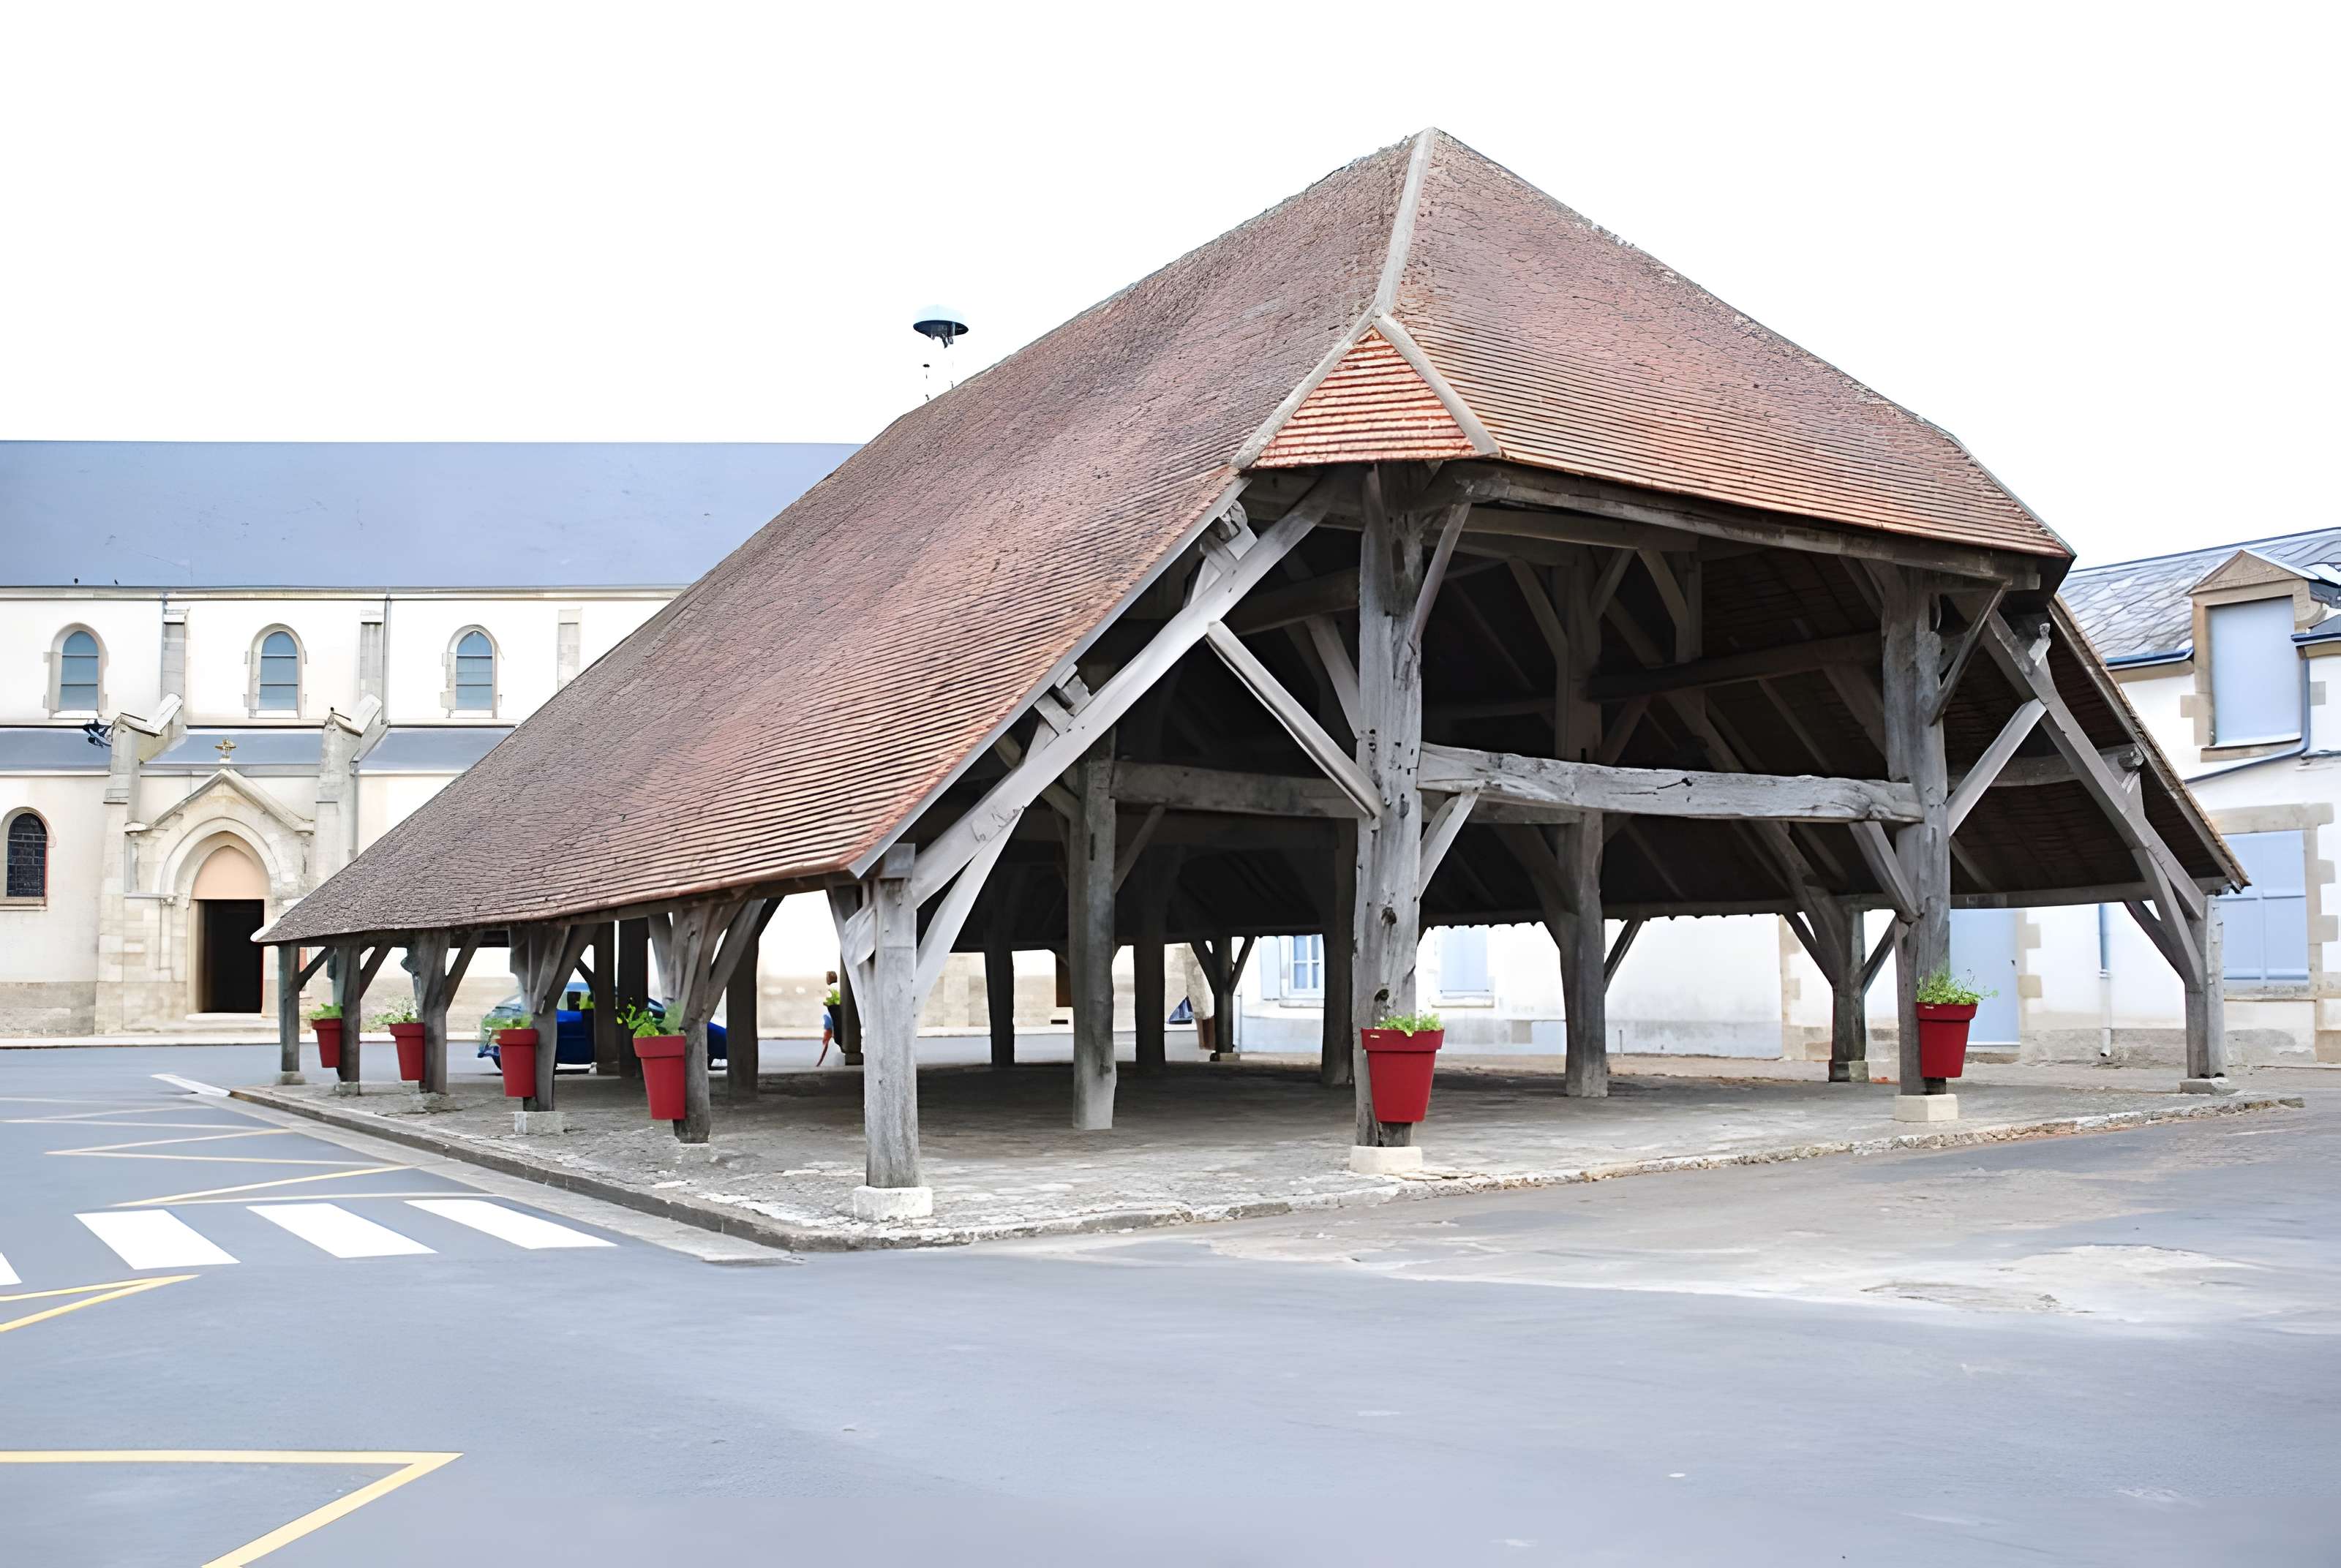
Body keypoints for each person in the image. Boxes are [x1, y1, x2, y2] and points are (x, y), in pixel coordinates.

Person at [818, 971, 841, 1065]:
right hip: (836, 1011)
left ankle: (821, 1059)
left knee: (828, 1033)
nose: (827, 979)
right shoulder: (838, 986)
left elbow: (829, 1000)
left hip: (833, 1012)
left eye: (827, 978)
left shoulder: (831, 988)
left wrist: (826, 1003)